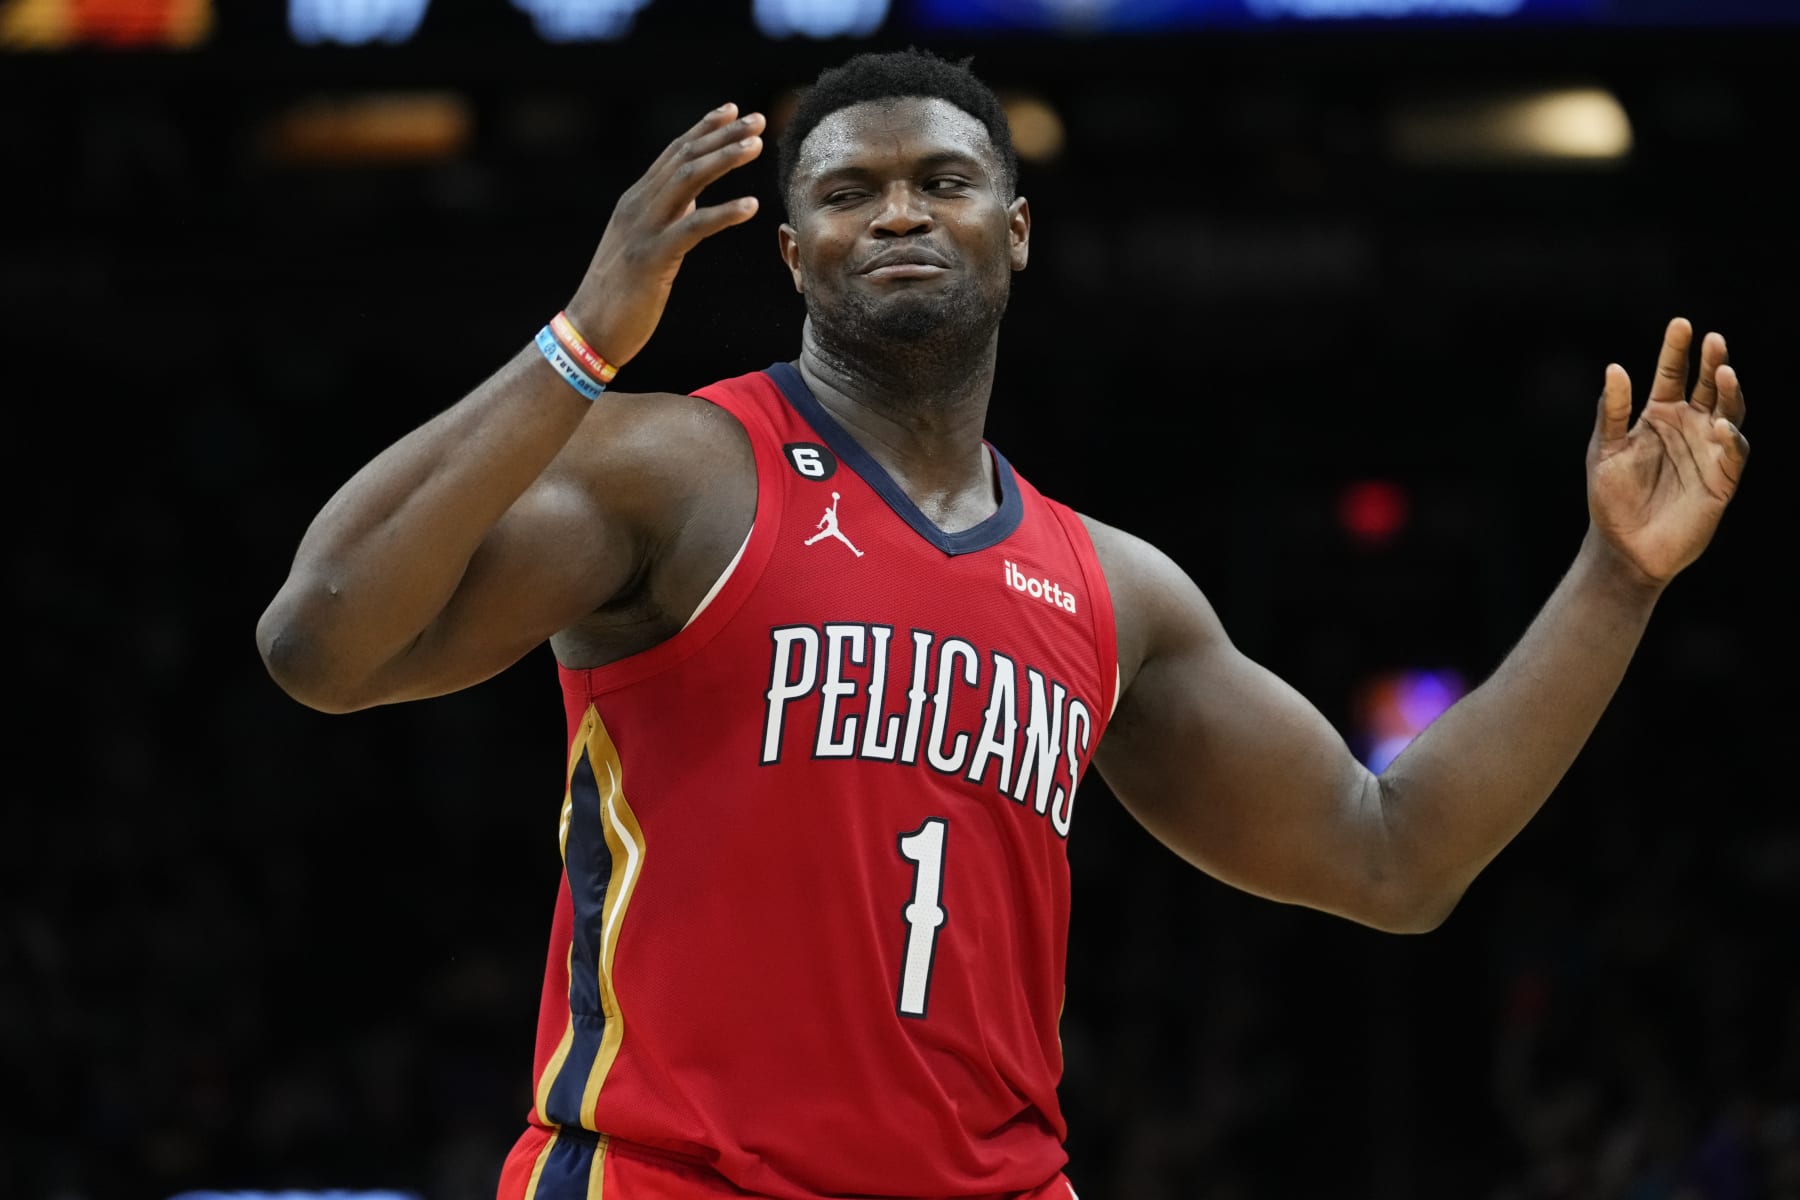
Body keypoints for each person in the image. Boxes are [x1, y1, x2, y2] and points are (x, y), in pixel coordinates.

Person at [254, 46, 1750, 1200]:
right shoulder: (676, 470)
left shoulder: (1114, 588)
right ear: (790, 254)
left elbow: (1391, 855)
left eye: (943, 180)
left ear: (1015, 231)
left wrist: (1617, 579)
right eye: (845, 191)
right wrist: (580, 345)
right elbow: (321, 643)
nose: (898, 209)